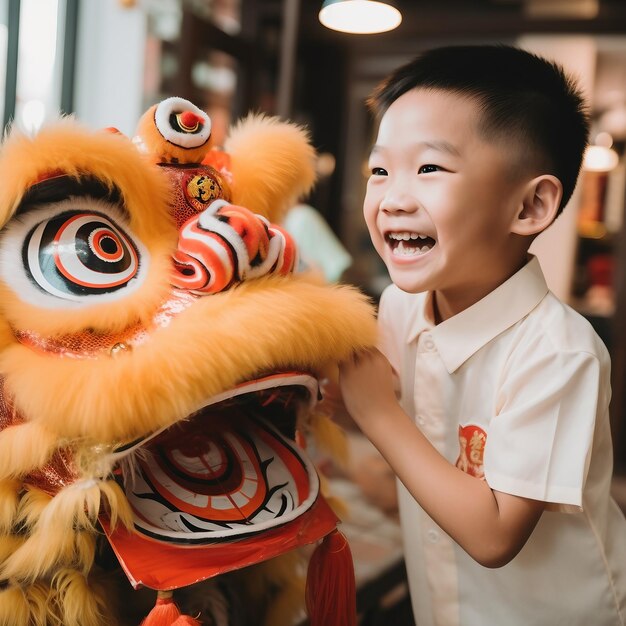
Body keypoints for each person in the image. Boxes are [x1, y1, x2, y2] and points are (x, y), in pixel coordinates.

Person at [338, 44, 626, 625]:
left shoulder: (560, 352)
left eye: (429, 168)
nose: (392, 198)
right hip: (444, 604)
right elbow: (383, 405)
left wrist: (375, 413)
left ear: (530, 205)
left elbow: (495, 534)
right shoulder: (400, 306)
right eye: (379, 169)